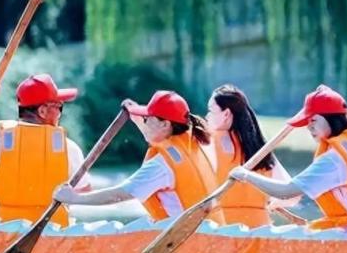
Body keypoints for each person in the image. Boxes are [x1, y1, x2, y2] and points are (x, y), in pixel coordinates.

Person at [230, 85, 347, 231]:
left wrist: (246, 175)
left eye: (313, 120)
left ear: (331, 118)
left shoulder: (333, 161)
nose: (309, 127)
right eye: (307, 122)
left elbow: (285, 192)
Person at [53, 91, 224, 224]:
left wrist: (74, 198)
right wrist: (138, 120)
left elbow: (119, 195)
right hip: (209, 238)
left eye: (147, 118)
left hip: (188, 244)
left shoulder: (161, 166)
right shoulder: (195, 143)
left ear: (165, 124)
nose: (145, 121)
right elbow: (158, 136)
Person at [0, 74, 86, 226]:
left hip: (6, 232)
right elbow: (83, 191)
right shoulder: (69, 148)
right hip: (54, 233)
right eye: (58, 107)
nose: (60, 113)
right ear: (42, 111)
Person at [205, 85, 293, 228]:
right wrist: (270, 204)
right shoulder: (260, 149)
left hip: (223, 230)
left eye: (211, 111)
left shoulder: (208, 145)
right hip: (260, 231)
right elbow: (292, 196)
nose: (207, 116)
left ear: (226, 114)